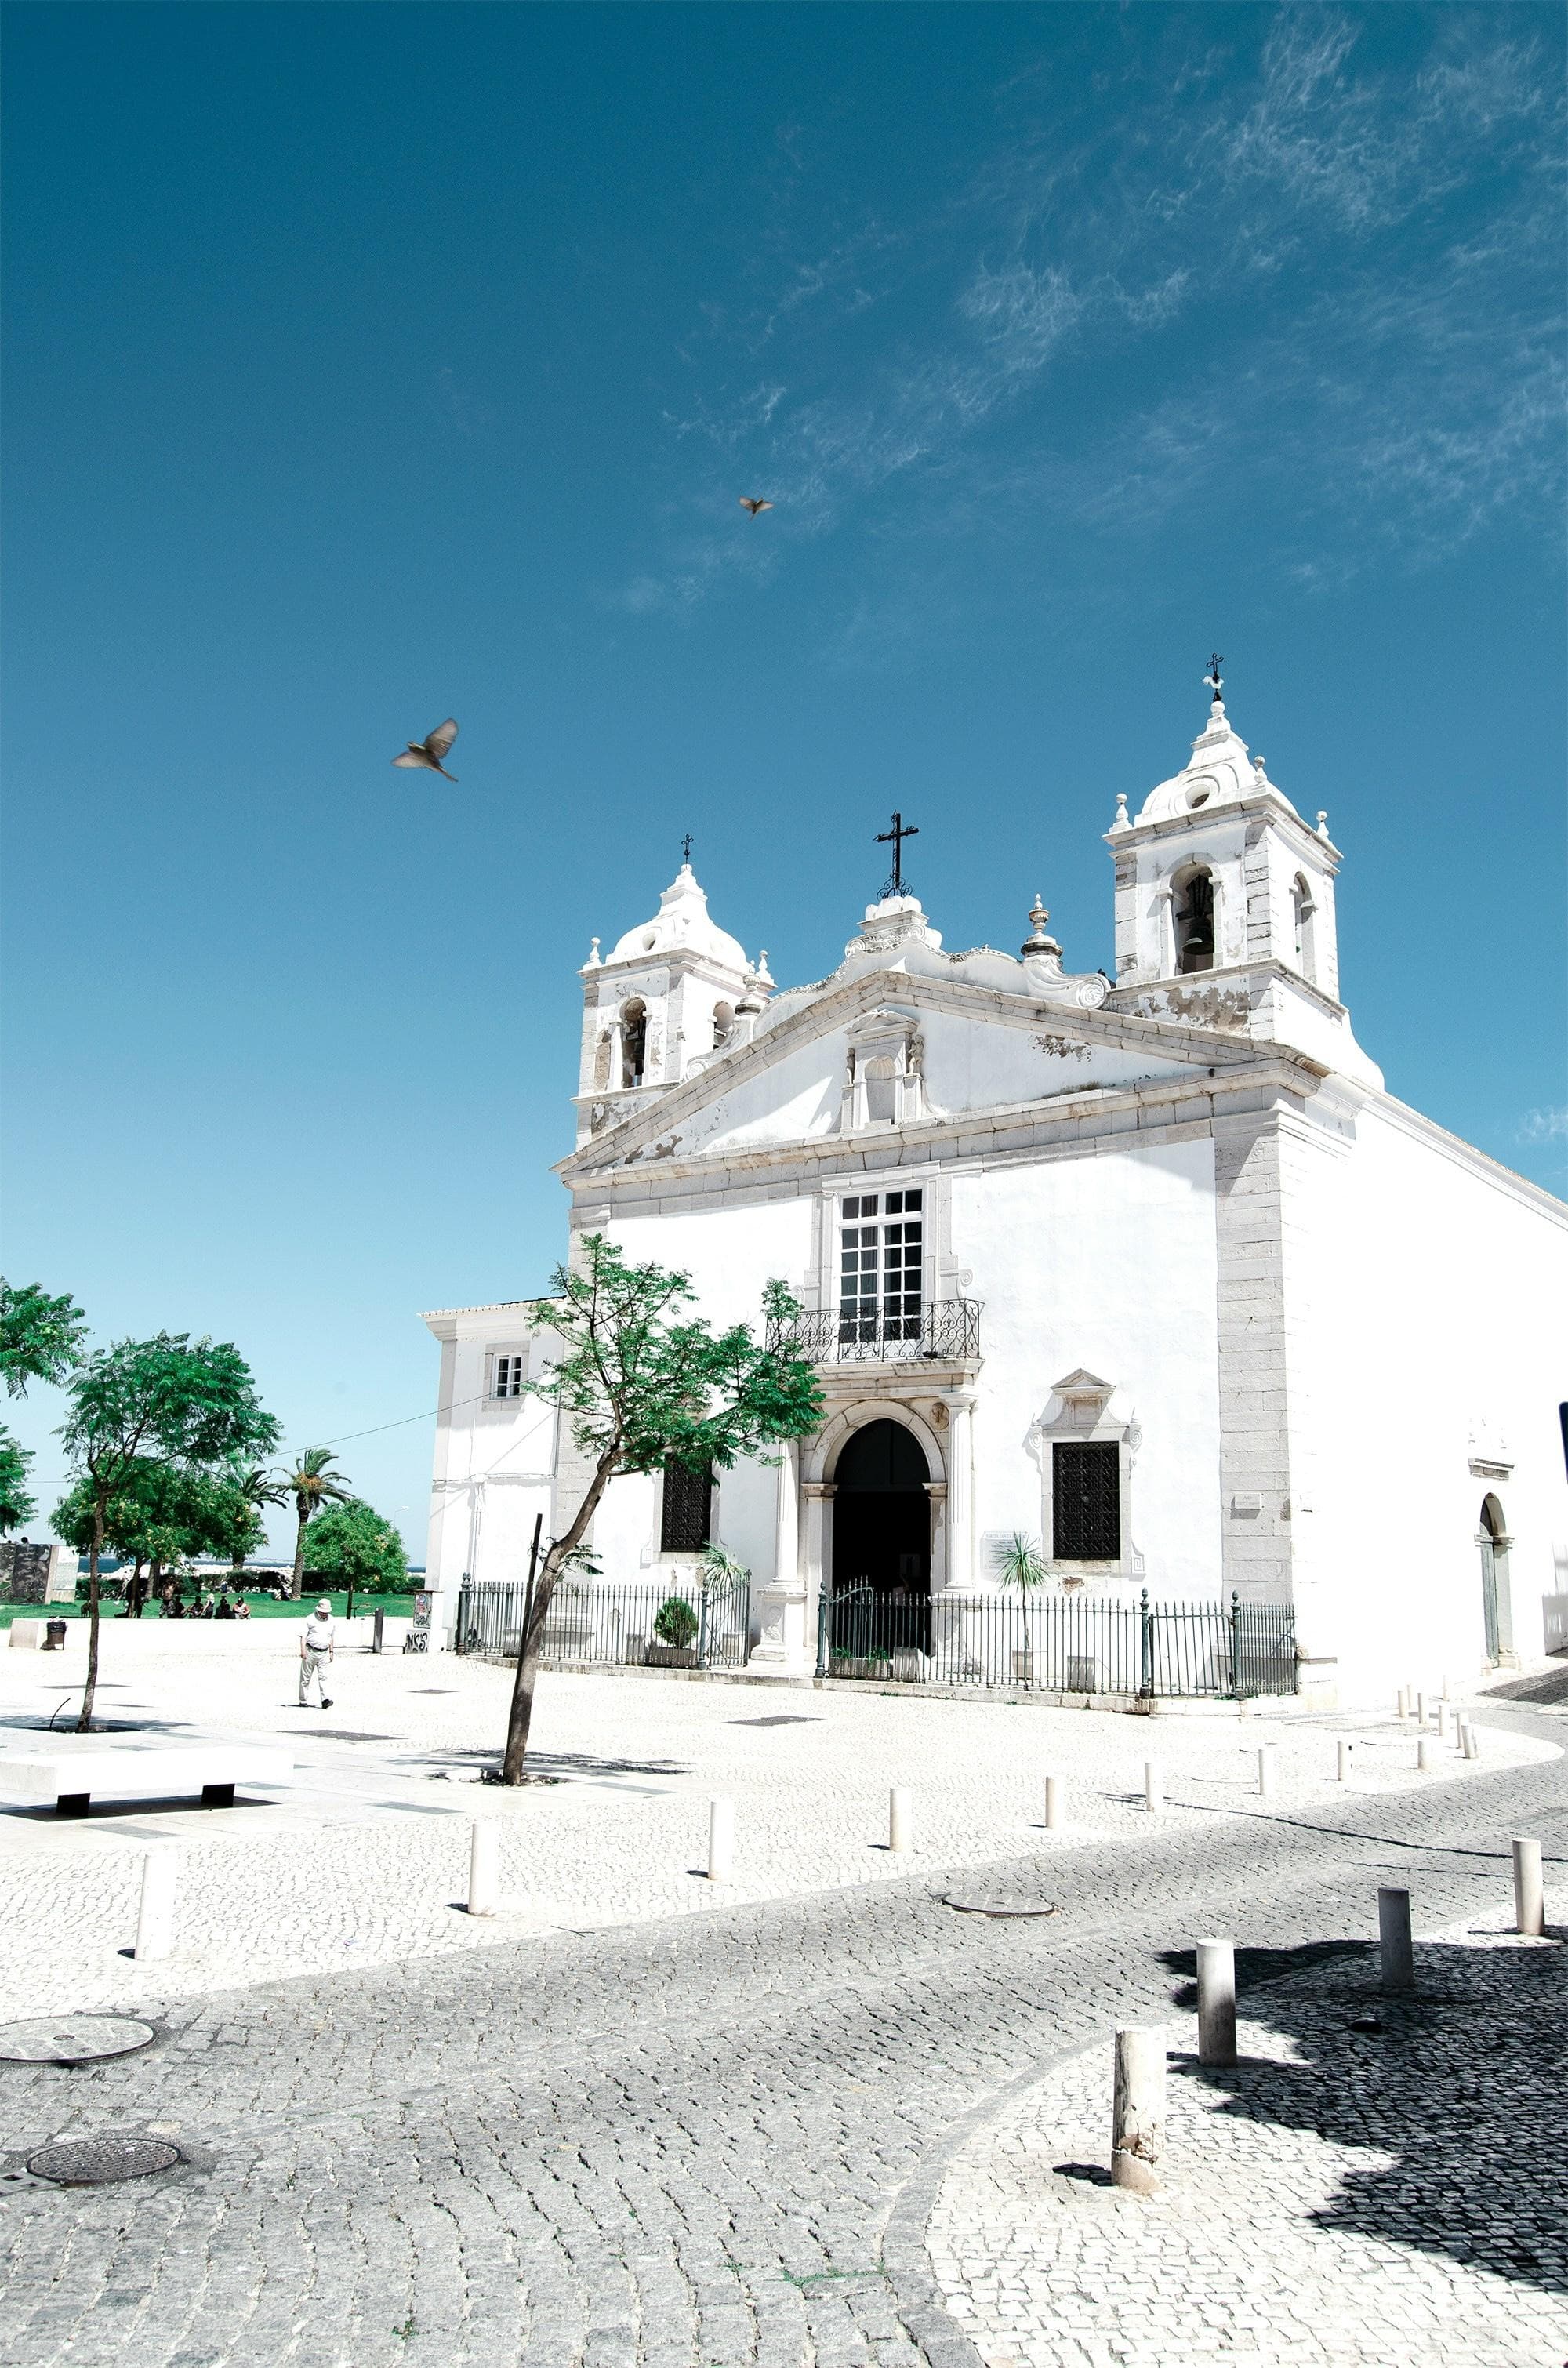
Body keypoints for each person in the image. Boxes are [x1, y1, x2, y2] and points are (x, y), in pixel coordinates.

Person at [298, 1598, 335, 1709]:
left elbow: (331, 1636)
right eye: (322, 1612)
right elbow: (303, 1636)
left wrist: (331, 1651)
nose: (324, 1615)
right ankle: (303, 1699)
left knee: (324, 1676)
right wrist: (303, 1651)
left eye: (326, 1613)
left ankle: (325, 1700)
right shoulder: (309, 1619)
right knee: (306, 1677)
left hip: (324, 1652)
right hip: (311, 1650)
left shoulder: (332, 1620)